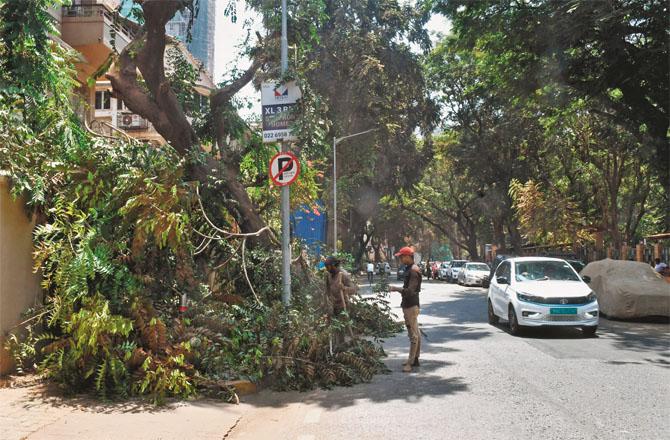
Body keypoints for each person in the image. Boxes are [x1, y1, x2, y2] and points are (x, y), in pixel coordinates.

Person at [389, 246, 422, 373]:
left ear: (408, 256)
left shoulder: (414, 271)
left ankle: (410, 361)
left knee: (413, 335)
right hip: (408, 305)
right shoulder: (409, 268)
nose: (401, 259)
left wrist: (395, 289)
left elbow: (410, 291)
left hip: (411, 306)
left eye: (402, 256)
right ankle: (415, 359)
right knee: (416, 332)